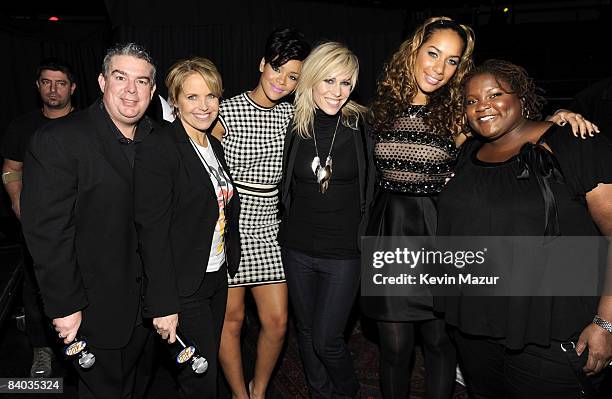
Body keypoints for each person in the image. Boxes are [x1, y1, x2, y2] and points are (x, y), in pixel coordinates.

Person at [363, 16, 600, 399]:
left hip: (442, 230)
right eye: (433, 54)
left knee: (441, 341)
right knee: (393, 346)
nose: (440, 68)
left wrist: (559, 118)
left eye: (453, 61)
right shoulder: (379, 110)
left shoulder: (458, 113)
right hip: (391, 232)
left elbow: (511, 123)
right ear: (413, 52)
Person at [435, 59, 612, 398]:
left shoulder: (574, 144)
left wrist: (606, 324)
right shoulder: (468, 153)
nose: (481, 106)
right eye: (471, 101)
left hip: (551, 330)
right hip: (475, 328)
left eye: (494, 94)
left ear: (522, 97)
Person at [20, 43, 157, 398]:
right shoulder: (59, 140)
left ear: (153, 90)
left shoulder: (160, 139)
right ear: (101, 81)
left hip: (152, 310)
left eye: (141, 81)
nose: (131, 90)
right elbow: (48, 234)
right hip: (93, 311)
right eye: (120, 77)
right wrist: (64, 308)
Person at [212, 27, 310, 399]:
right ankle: (239, 394)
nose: (282, 82)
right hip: (230, 227)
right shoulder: (226, 111)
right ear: (262, 64)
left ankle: (259, 389)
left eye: (293, 77)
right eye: (277, 70)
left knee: (277, 322)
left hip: (271, 226)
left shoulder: (294, 117)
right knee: (232, 321)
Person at [134, 57, 240, 398]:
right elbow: (151, 232)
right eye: (192, 97)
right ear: (174, 101)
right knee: (200, 379)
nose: (204, 106)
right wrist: (163, 304)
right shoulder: (161, 146)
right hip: (182, 286)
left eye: (211, 96)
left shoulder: (214, 146)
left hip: (214, 276)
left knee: (202, 375)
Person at [279, 41, 376, 399]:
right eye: (330, 81)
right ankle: (320, 393)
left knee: (327, 338)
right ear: (312, 80)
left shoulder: (361, 125)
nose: (338, 92)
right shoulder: (293, 125)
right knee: (305, 331)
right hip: (298, 248)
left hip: (344, 254)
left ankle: (347, 392)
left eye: (346, 83)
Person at [1, 57, 76, 378]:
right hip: (37, 230)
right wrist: (19, 205)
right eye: (47, 82)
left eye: (60, 83)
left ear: (72, 87)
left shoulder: (88, 123)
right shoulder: (23, 126)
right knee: (35, 290)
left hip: (80, 228)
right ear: (38, 86)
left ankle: (80, 352)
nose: (53, 89)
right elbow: (10, 169)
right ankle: (41, 350)